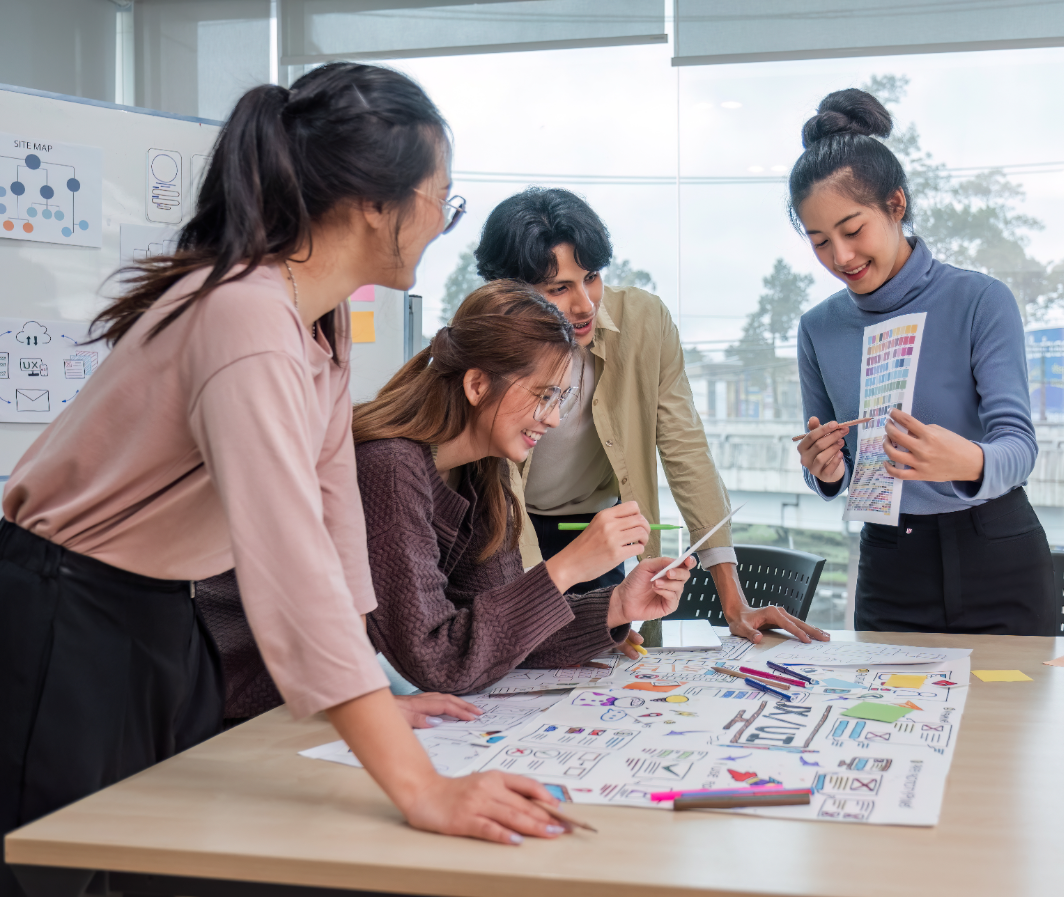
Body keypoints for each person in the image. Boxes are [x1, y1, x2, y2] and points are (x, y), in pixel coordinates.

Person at [0, 64, 562, 882]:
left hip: (159, 612)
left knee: (159, 863)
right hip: (65, 607)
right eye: (442, 198)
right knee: (59, 869)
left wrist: (372, 694)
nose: (444, 222)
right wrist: (421, 787)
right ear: (375, 203)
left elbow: (336, 522)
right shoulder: (246, 315)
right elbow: (290, 560)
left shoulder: (319, 319)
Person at [197, 282, 691, 718]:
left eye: (559, 399)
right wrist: (567, 567)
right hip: (249, 704)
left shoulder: (481, 473)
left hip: (319, 702)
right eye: (543, 395)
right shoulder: (390, 466)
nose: (554, 419)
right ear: (477, 385)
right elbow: (439, 659)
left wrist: (616, 605)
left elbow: (493, 634)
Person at [474, 188, 828, 645]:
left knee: (603, 669)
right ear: (508, 294)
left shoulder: (644, 322)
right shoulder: (484, 341)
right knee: (517, 657)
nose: (585, 304)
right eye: (559, 288)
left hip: (594, 532)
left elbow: (686, 450)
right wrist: (534, 610)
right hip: (507, 532)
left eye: (591, 277)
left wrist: (733, 602)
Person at [791, 88, 1053, 635]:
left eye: (852, 230)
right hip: (890, 563)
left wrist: (967, 460)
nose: (840, 256)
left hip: (998, 555)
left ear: (896, 204)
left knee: (1013, 698)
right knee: (883, 696)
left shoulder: (981, 301)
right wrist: (826, 471)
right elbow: (836, 462)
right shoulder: (818, 328)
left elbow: (1019, 447)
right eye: (819, 242)